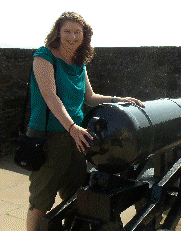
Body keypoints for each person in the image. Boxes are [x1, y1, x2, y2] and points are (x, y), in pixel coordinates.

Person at [26, 12, 145, 231]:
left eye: (77, 32)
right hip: (50, 135)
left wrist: (118, 100)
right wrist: (71, 127)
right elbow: (50, 96)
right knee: (41, 199)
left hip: (77, 135)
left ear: (84, 36)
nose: (72, 37)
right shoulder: (44, 56)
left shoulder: (79, 63)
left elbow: (89, 97)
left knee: (74, 192)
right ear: (58, 33)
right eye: (67, 31)